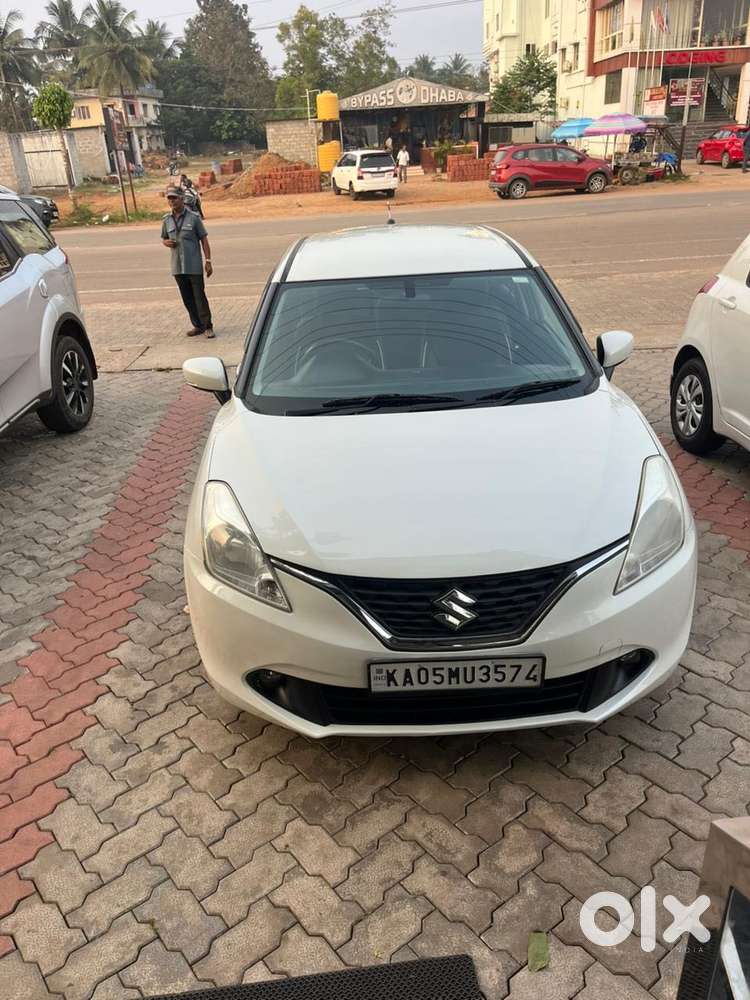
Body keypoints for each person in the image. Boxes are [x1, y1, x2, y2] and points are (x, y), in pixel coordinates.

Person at [161, 186, 215, 338]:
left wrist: (208, 261)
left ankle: (207, 326)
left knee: (199, 297)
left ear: (182, 199)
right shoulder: (167, 220)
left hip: (193, 265)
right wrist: (166, 243)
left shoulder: (194, 218)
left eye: (174, 198)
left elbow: (204, 239)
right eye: (169, 198)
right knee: (187, 298)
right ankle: (197, 325)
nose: (172, 201)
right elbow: (164, 238)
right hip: (177, 266)